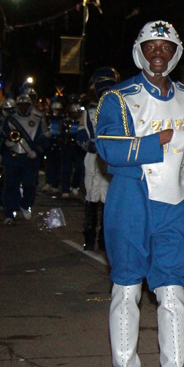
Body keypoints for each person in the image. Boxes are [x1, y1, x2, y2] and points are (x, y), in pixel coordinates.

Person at [96, 20, 184, 367]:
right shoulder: (117, 97)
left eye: (166, 47)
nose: (158, 53)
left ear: (175, 53)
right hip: (131, 201)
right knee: (126, 291)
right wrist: (161, 138)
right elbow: (107, 147)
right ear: (139, 51)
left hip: (174, 207)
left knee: (172, 295)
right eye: (151, 46)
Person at [79, 67, 119, 251]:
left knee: (108, 200)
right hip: (93, 158)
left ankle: (104, 240)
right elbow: (81, 134)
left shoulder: (121, 112)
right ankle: (89, 237)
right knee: (91, 197)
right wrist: (89, 144)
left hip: (110, 159)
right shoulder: (89, 112)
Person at [1, 93, 48, 225]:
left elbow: (46, 136)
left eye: (25, 105)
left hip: (29, 158)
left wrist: (37, 150)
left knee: (29, 184)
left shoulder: (38, 118)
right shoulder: (10, 119)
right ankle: (9, 213)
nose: (23, 108)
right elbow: (2, 136)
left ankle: (25, 204)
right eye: (20, 105)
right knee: (11, 186)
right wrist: (7, 144)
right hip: (14, 157)